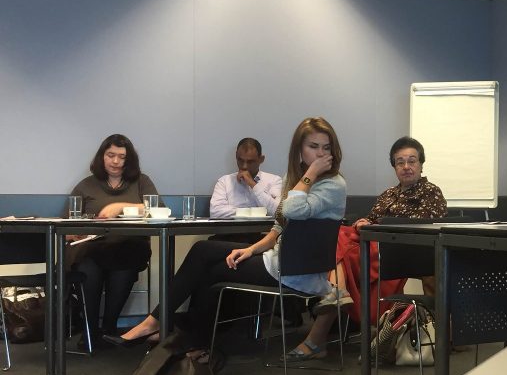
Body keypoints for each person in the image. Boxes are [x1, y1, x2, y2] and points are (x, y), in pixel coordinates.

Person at [106, 117, 346, 348]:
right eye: (313, 146)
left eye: (326, 147)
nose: (321, 154)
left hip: (297, 272)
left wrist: (310, 174)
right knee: (204, 254)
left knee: (207, 263)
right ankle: (184, 336)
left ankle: (169, 329)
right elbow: (279, 225)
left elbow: (291, 209)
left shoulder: (332, 184)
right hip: (278, 260)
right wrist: (250, 249)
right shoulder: (294, 179)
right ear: (299, 150)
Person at [286, 136, 447, 360]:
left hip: (404, 249)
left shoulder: (431, 192)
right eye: (400, 162)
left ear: (421, 164)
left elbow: (425, 225)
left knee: (339, 243)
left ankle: (333, 298)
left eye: (412, 161)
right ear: (394, 166)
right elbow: (371, 218)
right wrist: (364, 222)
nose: (406, 167)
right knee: (338, 235)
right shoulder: (389, 194)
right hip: (374, 244)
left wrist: (377, 225)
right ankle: (336, 295)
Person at [67, 134, 158, 349]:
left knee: (125, 261)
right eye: (111, 155)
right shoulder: (86, 186)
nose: (116, 161)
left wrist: (120, 207)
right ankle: (90, 331)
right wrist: (77, 233)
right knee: (88, 267)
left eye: (122, 157)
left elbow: (156, 209)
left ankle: (108, 328)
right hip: (92, 248)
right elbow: (68, 223)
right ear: (102, 157)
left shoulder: (141, 181)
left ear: (129, 160)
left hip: (128, 247)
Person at [209, 137, 282, 219]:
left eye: (250, 162)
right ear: (236, 156)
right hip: (231, 230)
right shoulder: (224, 182)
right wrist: (254, 211)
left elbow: (277, 212)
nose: (244, 166)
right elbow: (215, 212)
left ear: (261, 159)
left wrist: (253, 184)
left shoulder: (274, 181)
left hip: (263, 231)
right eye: (240, 160)